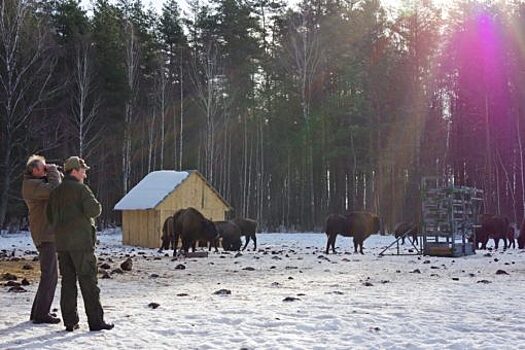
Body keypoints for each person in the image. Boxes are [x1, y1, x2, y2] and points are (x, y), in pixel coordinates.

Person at [46, 156, 114, 332]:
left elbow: (49, 217)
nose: (85, 173)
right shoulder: (81, 189)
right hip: (82, 245)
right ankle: (96, 322)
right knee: (89, 282)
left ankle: (70, 322)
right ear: (74, 171)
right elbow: (95, 210)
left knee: (68, 283)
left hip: (62, 245)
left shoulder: (55, 192)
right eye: (83, 170)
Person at [22, 155, 62, 324]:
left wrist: (52, 172)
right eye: (43, 167)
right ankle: (41, 314)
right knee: (51, 275)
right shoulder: (32, 186)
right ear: (35, 170)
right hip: (45, 235)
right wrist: (53, 170)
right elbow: (55, 189)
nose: (46, 169)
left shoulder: (34, 184)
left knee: (48, 274)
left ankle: (37, 313)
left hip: (45, 233)